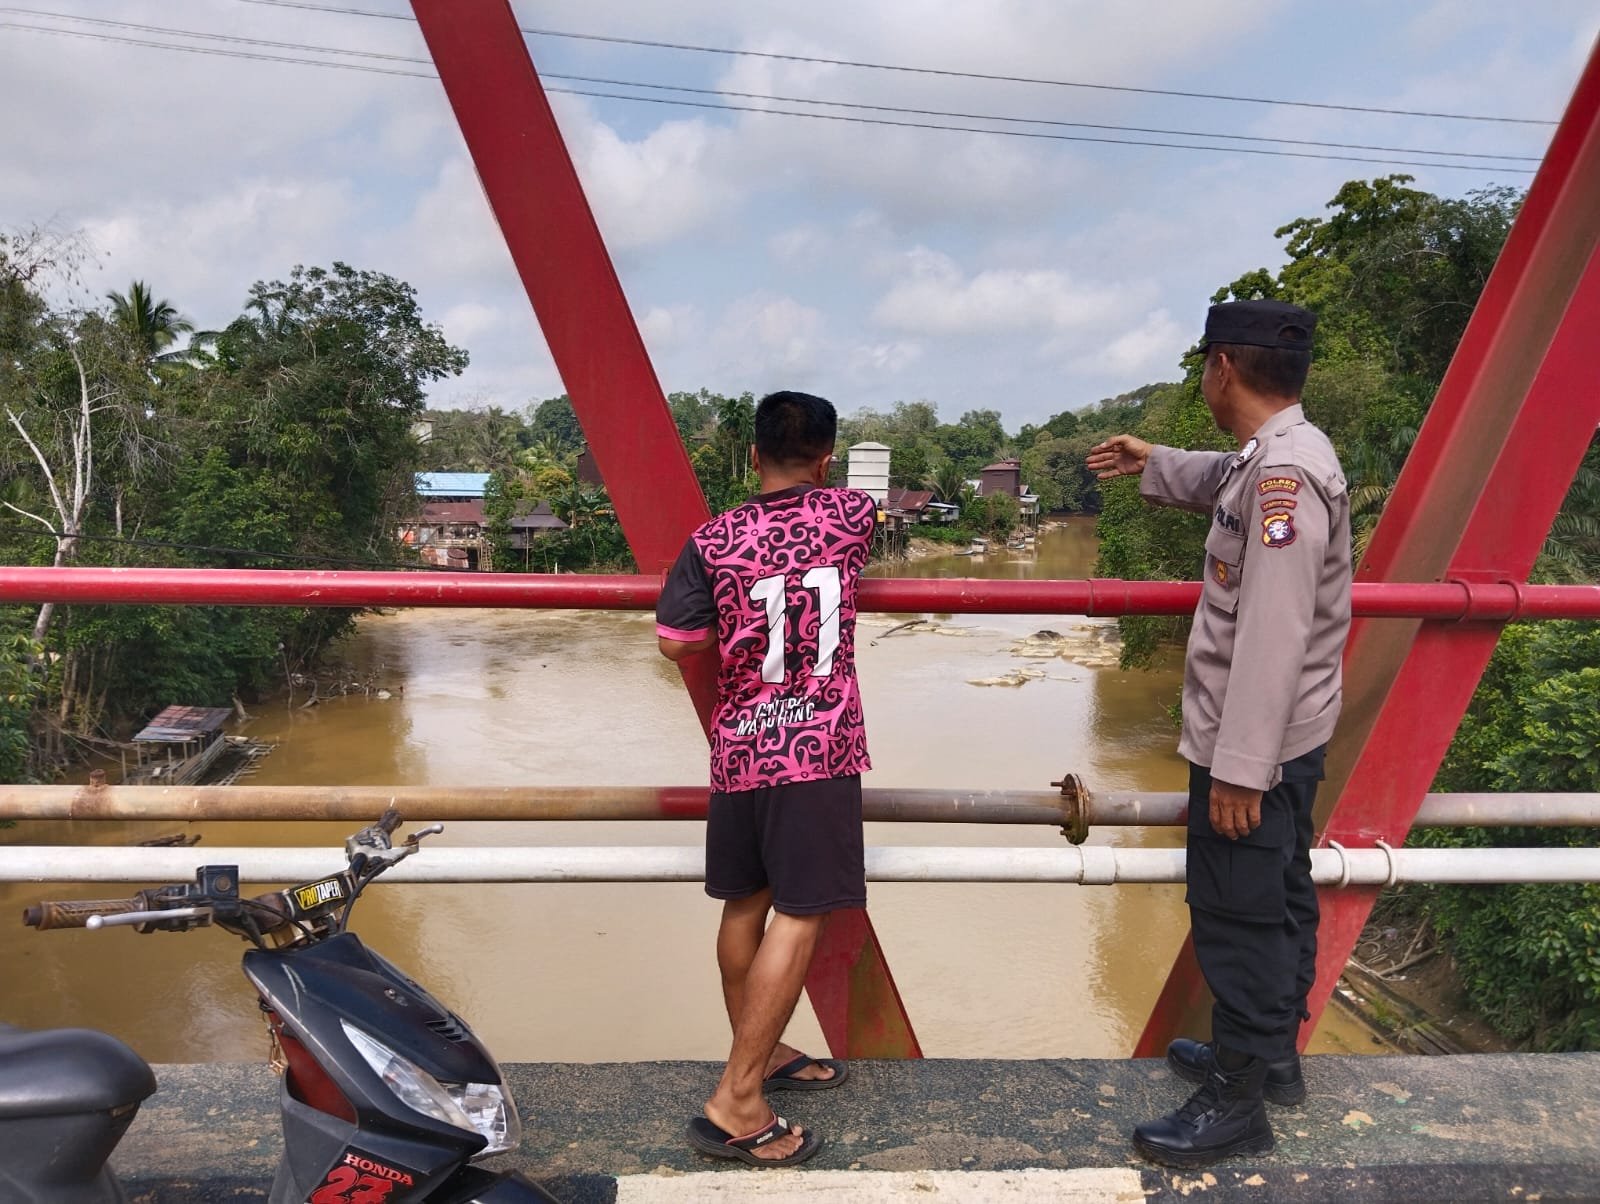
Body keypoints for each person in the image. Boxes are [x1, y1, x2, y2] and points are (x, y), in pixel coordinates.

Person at [1086, 300, 1351, 1169]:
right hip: (1282, 738)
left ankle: (1237, 1100)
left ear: (1223, 369)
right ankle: (1269, 1059)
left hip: (1255, 748)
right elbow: (1225, 482)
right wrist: (1155, 459)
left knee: (1238, 912)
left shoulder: (1286, 480)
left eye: (1204, 365)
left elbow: (1273, 629)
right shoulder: (1275, 459)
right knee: (1276, 894)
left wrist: (1241, 768)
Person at [656, 390, 876, 1168]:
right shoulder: (852, 516)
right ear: (826, 461)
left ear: (751, 457)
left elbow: (677, 642)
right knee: (803, 912)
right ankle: (737, 1100)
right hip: (816, 746)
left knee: (745, 902)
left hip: (742, 742)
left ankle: (767, 1053)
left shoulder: (711, 539)